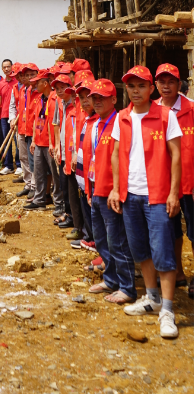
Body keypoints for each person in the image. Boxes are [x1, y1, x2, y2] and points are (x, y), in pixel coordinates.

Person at [109, 65, 182, 339]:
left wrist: (174, 193)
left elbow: (176, 155)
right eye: (131, 86)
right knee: (141, 250)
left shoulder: (164, 116)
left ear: (151, 89)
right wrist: (116, 189)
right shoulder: (122, 117)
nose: (135, 90)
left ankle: (167, 310)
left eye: (141, 85)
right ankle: (151, 298)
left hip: (158, 195)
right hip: (130, 195)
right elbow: (116, 155)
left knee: (163, 252)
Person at [86, 80, 136, 305]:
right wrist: (89, 188)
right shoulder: (96, 124)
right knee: (101, 240)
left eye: (102, 98)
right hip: (97, 189)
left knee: (117, 241)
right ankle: (110, 278)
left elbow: (123, 159)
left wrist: (117, 190)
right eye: (94, 98)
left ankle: (127, 286)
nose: (96, 102)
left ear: (114, 100)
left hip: (111, 193)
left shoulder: (120, 123)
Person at [155, 63, 194, 297]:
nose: (166, 86)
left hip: (190, 183)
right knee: (170, 232)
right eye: (162, 81)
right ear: (156, 85)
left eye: (171, 81)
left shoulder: (192, 109)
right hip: (162, 184)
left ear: (180, 85)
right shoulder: (151, 111)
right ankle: (178, 273)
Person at [53, 74, 84, 241]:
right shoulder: (64, 105)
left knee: (77, 192)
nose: (59, 91)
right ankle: (74, 220)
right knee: (68, 188)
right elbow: (61, 129)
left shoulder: (77, 109)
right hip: (66, 153)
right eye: (56, 88)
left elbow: (76, 134)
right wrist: (59, 148)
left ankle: (80, 226)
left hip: (75, 156)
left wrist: (74, 155)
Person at [27, 70, 63, 212]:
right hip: (39, 141)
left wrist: (54, 144)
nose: (35, 85)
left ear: (45, 83)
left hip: (50, 143)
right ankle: (39, 199)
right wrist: (34, 140)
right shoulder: (40, 98)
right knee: (39, 172)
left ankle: (59, 204)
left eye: (37, 82)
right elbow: (37, 120)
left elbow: (55, 123)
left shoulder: (56, 99)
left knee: (55, 174)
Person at [73, 74, 97, 251]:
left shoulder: (99, 122)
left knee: (95, 212)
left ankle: (96, 241)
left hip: (93, 178)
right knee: (86, 208)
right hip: (83, 177)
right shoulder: (88, 119)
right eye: (82, 98)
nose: (85, 101)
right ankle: (89, 237)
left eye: (89, 97)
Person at [0, 59, 14, 174]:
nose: (7, 69)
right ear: (2, 69)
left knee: (16, 142)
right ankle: (8, 166)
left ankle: (19, 165)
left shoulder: (16, 82)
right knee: (6, 141)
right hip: (3, 116)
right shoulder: (0, 84)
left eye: (8, 66)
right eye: (4, 67)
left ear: (12, 67)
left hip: (14, 116)